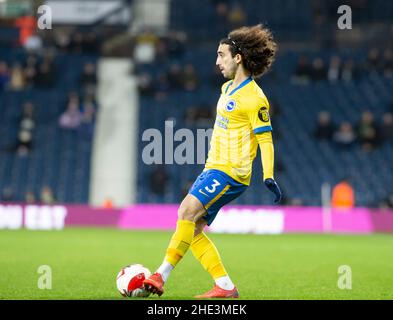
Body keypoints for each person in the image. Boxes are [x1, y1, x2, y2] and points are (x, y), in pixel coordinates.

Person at [143, 24, 282, 299]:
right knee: (192, 230)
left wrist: (268, 175)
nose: (217, 62)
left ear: (238, 57)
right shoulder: (227, 88)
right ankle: (225, 287)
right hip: (213, 168)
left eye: (221, 55)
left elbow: (265, 140)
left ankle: (160, 275)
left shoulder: (255, 99)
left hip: (232, 171)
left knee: (185, 211)